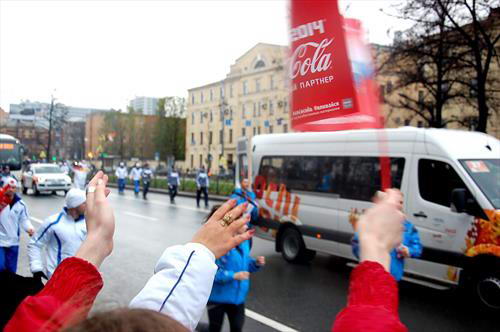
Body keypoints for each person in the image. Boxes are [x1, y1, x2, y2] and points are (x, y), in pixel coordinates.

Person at [6, 172, 254, 332]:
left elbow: (38, 322)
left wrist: (97, 241)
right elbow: (149, 325)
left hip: (71, 274)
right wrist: (200, 252)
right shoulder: (52, 222)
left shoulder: (81, 226)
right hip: (58, 272)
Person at [205, 205, 265, 332]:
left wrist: (255, 264)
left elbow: (244, 263)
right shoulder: (217, 244)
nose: (246, 224)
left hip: (237, 298)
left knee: (237, 328)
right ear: (232, 223)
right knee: (214, 329)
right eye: (242, 221)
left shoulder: (244, 241)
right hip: (217, 298)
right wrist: (234, 275)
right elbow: (210, 273)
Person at [351, 192, 422, 281]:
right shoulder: (372, 222)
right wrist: (370, 252)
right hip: (371, 275)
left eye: (400, 202)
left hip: (392, 277)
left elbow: (417, 248)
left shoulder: (408, 226)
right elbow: (357, 244)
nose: (397, 205)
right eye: (393, 201)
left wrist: (409, 251)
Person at [27, 189, 87, 280]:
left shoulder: (89, 223)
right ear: (75, 205)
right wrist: (36, 268)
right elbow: (34, 244)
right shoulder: (53, 222)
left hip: (80, 277)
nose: (88, 205)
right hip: (58, 277)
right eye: (84, 203)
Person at [0, 178, 34, 273]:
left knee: (11, 270)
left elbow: (24, 220)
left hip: (13, 242)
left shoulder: (21, 204)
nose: (11, 189)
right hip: (0, 242)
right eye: (9, 187)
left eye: (13, 187)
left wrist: (29, 228)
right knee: (1, 266)